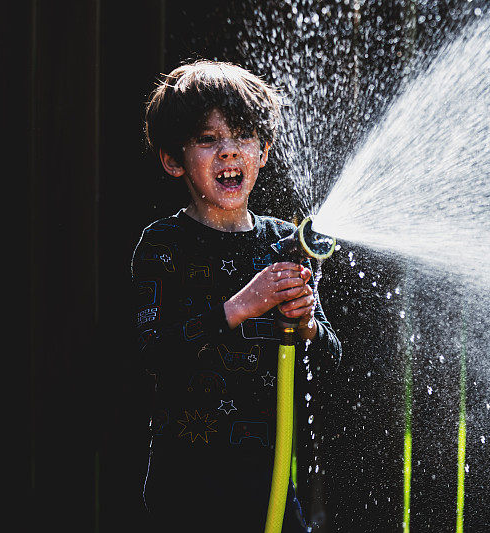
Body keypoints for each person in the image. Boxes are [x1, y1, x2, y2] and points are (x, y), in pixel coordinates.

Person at [132, 60, 341, 532]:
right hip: (186, 492)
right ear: (173, 159)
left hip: (268, 489)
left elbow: (330, 359)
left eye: (244, 136)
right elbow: (153, 357)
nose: (229, 152)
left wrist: (307, 323)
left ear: (263, 151)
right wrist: (241, 306)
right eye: (208, 140)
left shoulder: (285, 243)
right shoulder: (164, 246)